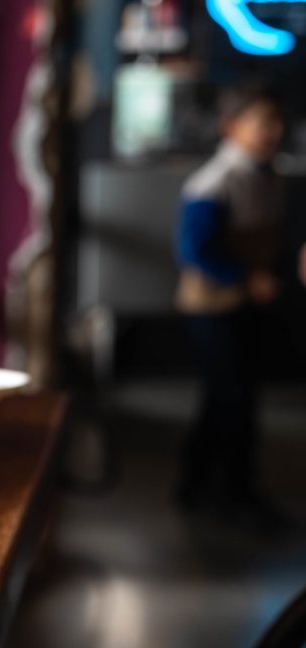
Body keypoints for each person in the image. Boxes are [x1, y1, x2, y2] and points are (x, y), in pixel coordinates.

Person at [174, 83, 289, 528]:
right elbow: (194, 251)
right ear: (231, 127)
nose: (273, 131)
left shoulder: (266, 174)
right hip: (211, 306)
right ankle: (234, 495)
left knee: (223, 398)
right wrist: (246, 277)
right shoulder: (214, 181)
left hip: (246, 304)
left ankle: (196, 484)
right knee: (235, 401)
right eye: (264, 123)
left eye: (276, 122)